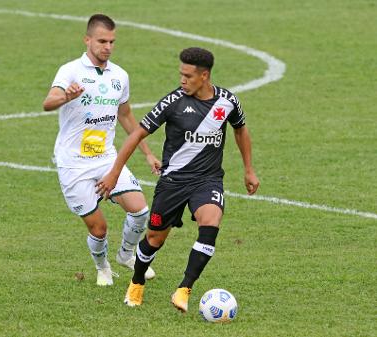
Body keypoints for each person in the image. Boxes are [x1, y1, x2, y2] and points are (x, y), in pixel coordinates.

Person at [96, 47, 260, 311]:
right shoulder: (172, 102)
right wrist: (114, 173)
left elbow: (241, 130)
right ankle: (137, 282)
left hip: (207, 180)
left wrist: (249, 169)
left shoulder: (227, 101)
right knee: (154, 239)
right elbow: (137, 134)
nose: (182, 80)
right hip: (173, 182)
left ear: (204, 76)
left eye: (188, 75)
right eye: (180, 74)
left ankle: (184, 289)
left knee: (211, 223)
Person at [43, 14, 160, 286]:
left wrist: (148, 153)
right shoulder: (70, 71)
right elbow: (48, 103)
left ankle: (126, 255)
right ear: (87, 40)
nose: (107, 46)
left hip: (106, 158)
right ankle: (102, 267)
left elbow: (127, 116)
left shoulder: (119, 76)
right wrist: (65, 96)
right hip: (74, 164)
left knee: (140, 210)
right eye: (102, 41)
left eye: (112, 41)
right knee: (99, 228)